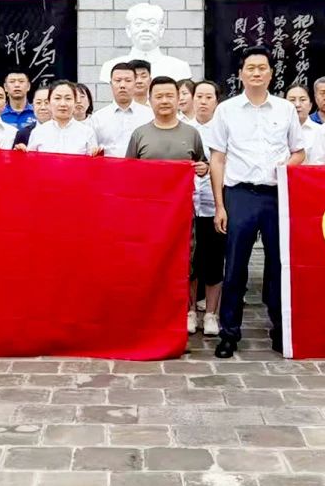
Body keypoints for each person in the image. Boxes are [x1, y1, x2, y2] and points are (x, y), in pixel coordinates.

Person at [209, 46, 306, 359]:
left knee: (278, 265)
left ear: (271, 73)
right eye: (250, 68)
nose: (256, 73)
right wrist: (220, 205)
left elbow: (299, 152)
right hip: (239, 195)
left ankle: (280, 331)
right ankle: (229, 333)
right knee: (235, 267)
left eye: (262, 68)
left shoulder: (285, 109)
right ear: (240, 74)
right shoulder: (226, 110)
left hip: (276, 195)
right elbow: (217, 158)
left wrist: (284, 168)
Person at [126, 77, 208, 331]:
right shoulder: (140, 134)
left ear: (178, 98)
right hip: (148, 214)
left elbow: (203, 163)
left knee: (185, 262)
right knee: (149, 261)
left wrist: (203, 168)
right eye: (159, 96)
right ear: (150, 100)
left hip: (182, 213)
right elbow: (128, 171)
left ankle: (185, 311)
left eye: (169, 95)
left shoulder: (191, 133)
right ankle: (149, 311)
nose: (164, 101)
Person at [190, 80, 224, 336]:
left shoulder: (224, 129)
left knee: (214, 260)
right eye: (199, 96)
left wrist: (210, 168)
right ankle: (190, 310)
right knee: (190, 262)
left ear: (217, 101)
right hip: (189, 206)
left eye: (208, 97)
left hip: (216, 205)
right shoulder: (184, 129)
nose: (203, 101)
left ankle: (211, 313)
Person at [97, 2, 193, 82]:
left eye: (152, 23)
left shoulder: (180, 68)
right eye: (138, 23)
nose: (145, 29)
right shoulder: (109, 67)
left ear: (161, 30)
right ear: (128, 30)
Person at [90, 63, 152, 158]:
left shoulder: (149, 115)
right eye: (118, 80)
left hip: (140, 166)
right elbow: (92, 150)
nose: (122, 85)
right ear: (111, 84)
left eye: (128, 80)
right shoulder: (98, 118)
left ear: (135, 83)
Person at [28, 81, 100, 155]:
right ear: (49, 102)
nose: (63, 104)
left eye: (68, 98)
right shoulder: (38, 132)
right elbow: (30, 159)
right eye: (57, 98)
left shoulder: (87, 133)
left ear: (75, 102)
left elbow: (92, 160)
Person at [285, 84, 323, 165]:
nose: (297, 105)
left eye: (302, 100)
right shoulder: (277, 130)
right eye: (292, 100)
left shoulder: (320, 131)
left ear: (310, 105)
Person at [12, 85, 51, 149]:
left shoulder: (64, 131)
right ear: (33, 105)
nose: (43, 107)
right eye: (38, 103)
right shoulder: (23, 134)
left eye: (47, 102)